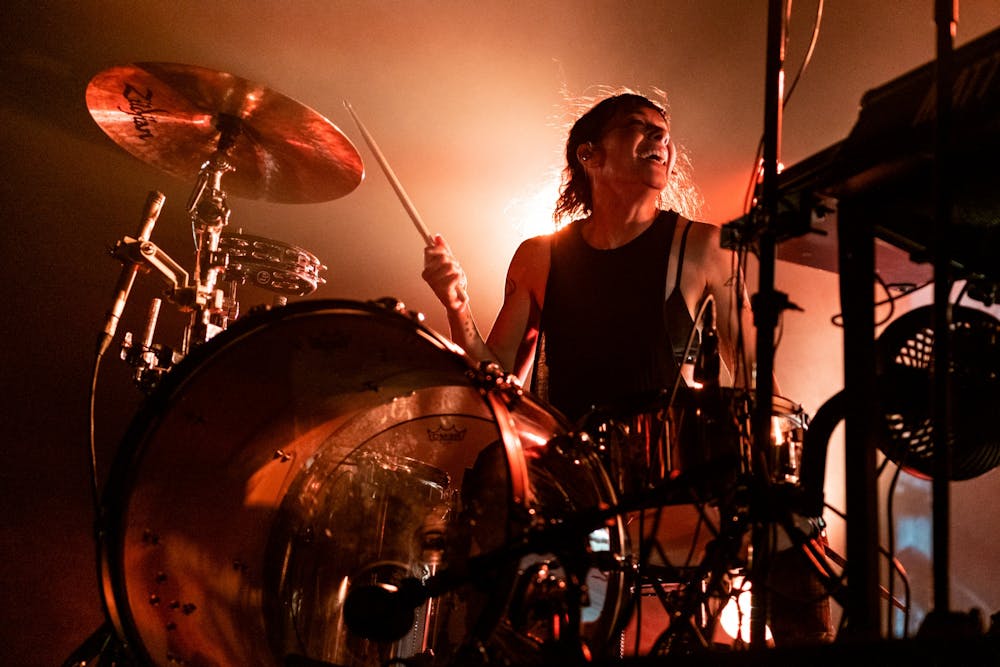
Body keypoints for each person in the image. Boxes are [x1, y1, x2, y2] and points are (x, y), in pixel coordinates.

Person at [422, 91, 832, 651]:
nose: (661, 138)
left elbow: (758, 375)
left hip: (677, 479)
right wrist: (456, 306)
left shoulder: (703, 245)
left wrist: (778, 459)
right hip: (573, 483)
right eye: (640, 126)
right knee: (497, 472)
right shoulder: (539, 256)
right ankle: (500, 652)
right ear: (589, 155)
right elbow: (496, 380)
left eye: (664, 131)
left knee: (789, 519)